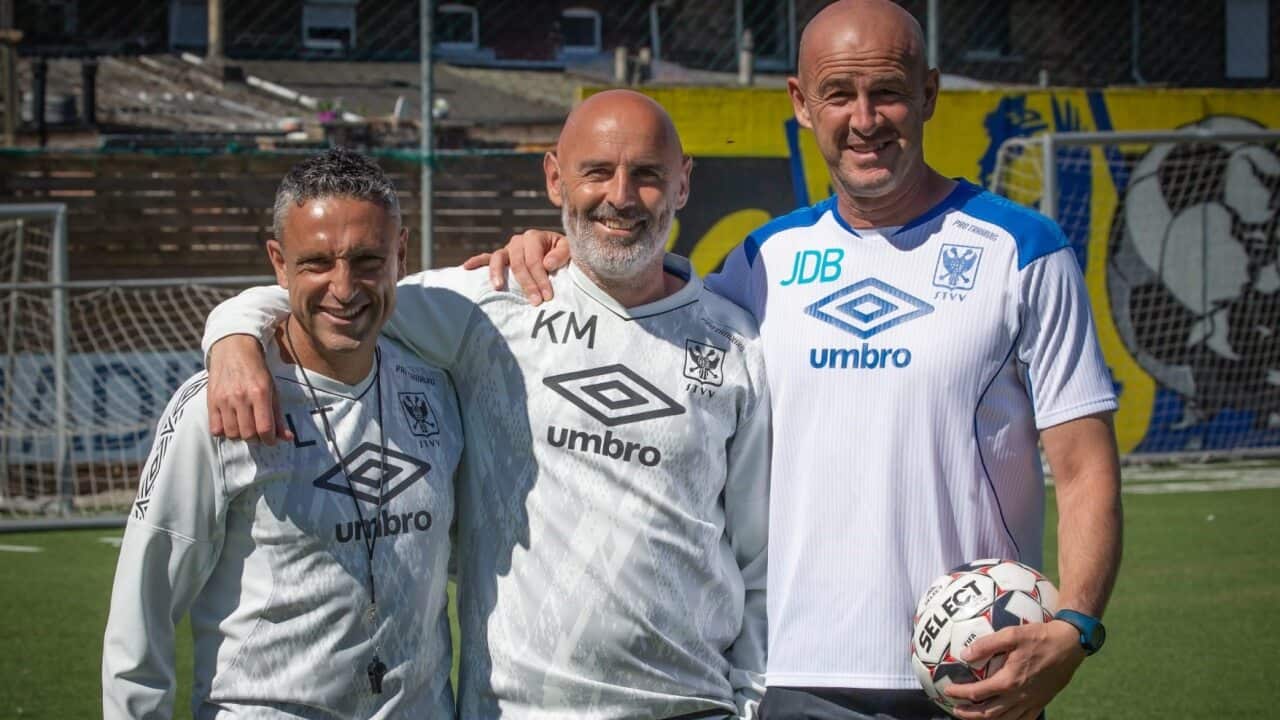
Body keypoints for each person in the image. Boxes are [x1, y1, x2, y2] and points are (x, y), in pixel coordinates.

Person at [482, 2, 1123, 718]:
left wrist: (1075, 624)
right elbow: (635, 290)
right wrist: (553, 249)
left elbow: (1085, 465)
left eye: (887, 92)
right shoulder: (760, 263)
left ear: (930, 94)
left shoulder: (1023, 250)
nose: (866, 119)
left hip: (973, 672)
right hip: (790, 679)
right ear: (801, 103)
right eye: (839, 95)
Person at [201, 90, 771, 719]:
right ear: (555, 177)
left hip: (691, 709)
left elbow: (760, 559)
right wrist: (232, 333)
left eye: (647, 175)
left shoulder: (738, 342)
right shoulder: (489, 303)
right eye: (597, 172)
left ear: (684, 182)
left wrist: (751, 704)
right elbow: (335, 295)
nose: (621, 196)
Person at [102, 148, 463, 718]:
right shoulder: (216, 408)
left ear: (400, 253)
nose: (343, 288)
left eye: (367, 260)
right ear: (278, 262)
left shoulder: (437, 392)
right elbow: (142, 609)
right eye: (317, 262)